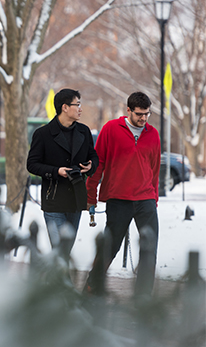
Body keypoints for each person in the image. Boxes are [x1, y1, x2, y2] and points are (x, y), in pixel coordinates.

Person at [83, 91, 161, 298]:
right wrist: (91, 196)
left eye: (147, 114)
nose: (143, 118)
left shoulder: (152, 134)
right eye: (139, 114)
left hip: (145, 200)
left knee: (149, 249)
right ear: (128, 110)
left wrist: (154, 198)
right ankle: (91, 288)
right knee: (110, 247)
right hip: (119, 199)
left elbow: (154, 169)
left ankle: (144, 299)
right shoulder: (110, 129)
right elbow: (97, 165)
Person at [27, 88, 99, 253]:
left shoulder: (84, 131)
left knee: (66, 249)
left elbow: (93, 156)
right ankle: (59, 279)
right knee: (60, 249)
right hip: (54, 199)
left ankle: (56, 279)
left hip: (76, 198)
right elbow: (32, 164)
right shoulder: (43, 134)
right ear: (65, 107)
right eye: (77, 104)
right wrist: (56, 171)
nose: (80, 108)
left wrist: (90, 166)